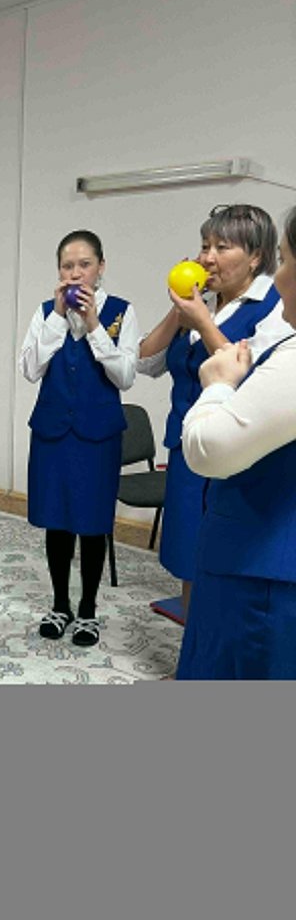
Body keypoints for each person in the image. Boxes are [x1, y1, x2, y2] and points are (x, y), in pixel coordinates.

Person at [138, 204, 290, 615]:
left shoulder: (274, 306)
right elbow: (145, 362)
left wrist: (203, 323)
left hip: (236, 456)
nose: (207, 258)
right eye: (205, 246)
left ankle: (208, 650)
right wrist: (181, 309)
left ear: (256, 256)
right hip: (187, 448)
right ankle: (191, 648)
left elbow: (253, 378)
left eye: (222, 247)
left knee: (224, 564)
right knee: (190, 556)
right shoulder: (203, 301)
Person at [175, 205, 296, 679]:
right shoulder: (217, 304)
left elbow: (213, 448)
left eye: (285, 260)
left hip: (262, 564)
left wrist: (218, 386)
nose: (279, 276)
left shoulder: (278, 331)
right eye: (206, 245)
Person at [19, 230, 139, 647]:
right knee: (56, 522)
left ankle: (87, 609)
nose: (75, 273)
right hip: (52, 433)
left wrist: (93, 326)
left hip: (97, 436)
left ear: (100, 267)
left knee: (92, 524)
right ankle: (60, 604)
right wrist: (56, 318)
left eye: (84, 264)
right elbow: (30, 369)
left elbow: (125, 375)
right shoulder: (44, 312)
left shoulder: (121, 312)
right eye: (67, 266)